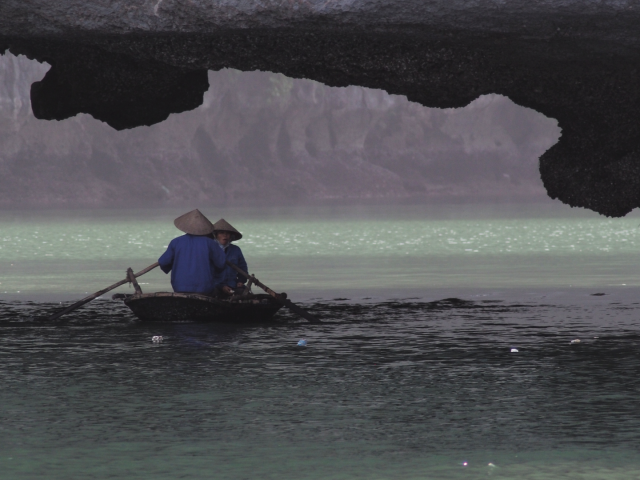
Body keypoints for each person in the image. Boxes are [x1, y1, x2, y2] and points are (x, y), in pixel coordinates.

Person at [158, 209, 226, 294]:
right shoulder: (210, 243)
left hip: (179, 287)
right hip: (204, 288)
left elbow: (163, 262)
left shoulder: (176, 242)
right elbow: (221, 264)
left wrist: (175, 264)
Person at [211, 218, 248, 297]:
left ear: (231, 236)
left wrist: (241, 281)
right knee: (213, 293)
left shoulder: (236, 250)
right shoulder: (210, 250)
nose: (225, 235)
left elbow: (243, 269)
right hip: (215, 286)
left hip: (233, 286)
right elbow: (206, 273)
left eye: (227, 233)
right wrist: (222, 286)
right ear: (216, 235)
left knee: (244, 294)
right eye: (221, 233)